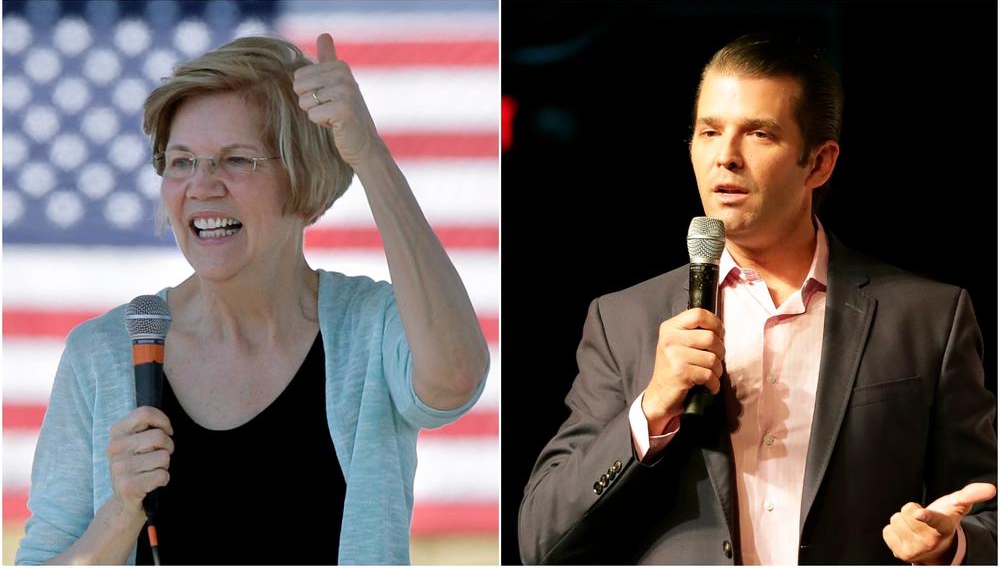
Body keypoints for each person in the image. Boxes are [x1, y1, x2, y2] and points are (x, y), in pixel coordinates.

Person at [518, 33, 996, 565]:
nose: (725, 157)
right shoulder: (624, 320)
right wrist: (651, 409)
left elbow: (985, 507)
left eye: (759, 134)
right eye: (709, 132)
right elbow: (541, 538)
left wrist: (952, 544)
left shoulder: (927, 317)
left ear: (818, 163)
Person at [16, 33, 489, 565]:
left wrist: (368, 155)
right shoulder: (100, 353)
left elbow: (453, 383)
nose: (202, 185)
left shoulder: (370, 327)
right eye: (181, 161)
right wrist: (120, 513)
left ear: (304, 180)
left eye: (236, 160)